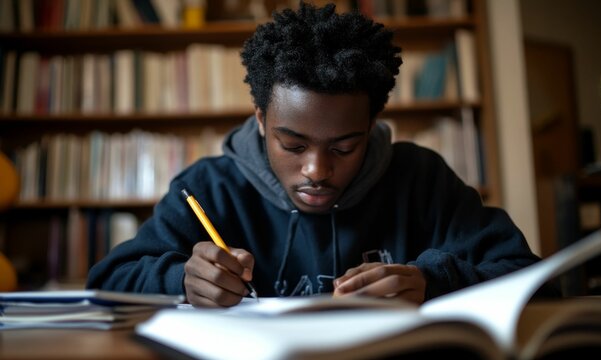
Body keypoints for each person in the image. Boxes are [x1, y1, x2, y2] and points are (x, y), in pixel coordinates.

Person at [86, 2, 553, 307]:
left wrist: (434, 281)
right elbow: (106, 281)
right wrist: (180, 280)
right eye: (292, 145)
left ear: (371, 125)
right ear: (261, 120)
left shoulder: (421, 178)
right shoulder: (208, 188)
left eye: (345, 147)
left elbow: (535, 280)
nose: (316, 170)